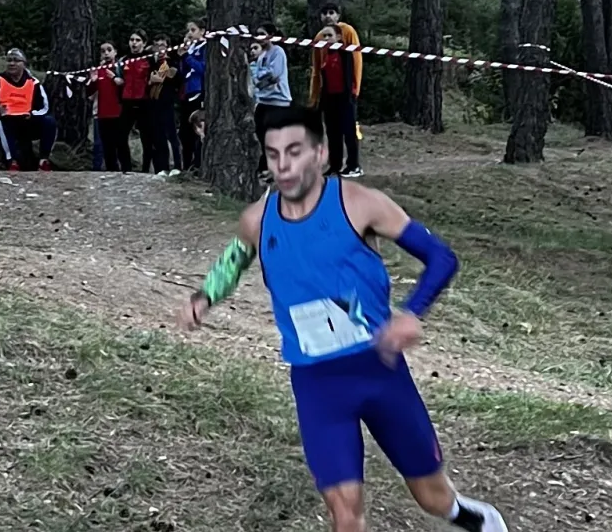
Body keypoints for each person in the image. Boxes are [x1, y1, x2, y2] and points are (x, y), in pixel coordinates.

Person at [176, 106, 508, 532]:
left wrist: (411, 313)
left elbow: (441, 258)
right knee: (344, 511)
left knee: (432, 497)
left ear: (321, 154)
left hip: (380, 373)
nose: (283, 165)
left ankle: (470, 518)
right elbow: (234, 260)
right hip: (317, 384)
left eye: (295, 152)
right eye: (274, 154)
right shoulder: (257, 220)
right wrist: (204, 296)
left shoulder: (360, 204)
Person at [310, 22, 363, 177]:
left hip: (345, 97)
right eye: (324, 36)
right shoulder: (324, 53)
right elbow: (320, 76)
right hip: (329, 98)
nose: (326, 39)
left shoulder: (346, 53)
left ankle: (353, 165)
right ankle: (335, 165)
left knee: (349, 132)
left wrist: (353, 93)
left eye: (329, 36)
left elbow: (352, 73)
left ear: (339, 37)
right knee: (333, 133)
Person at [0, 48, 55, 172]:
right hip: (7, 121)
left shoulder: (33, 83)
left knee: (49, 122)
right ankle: (11, 162)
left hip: (28, 120)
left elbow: (44, 107)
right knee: (0, 124)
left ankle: (44, 161)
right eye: (9, 60)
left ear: (24, 63)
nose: (12, 64)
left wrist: (33, 115)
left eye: (16, 60)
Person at [248, 23, 292, 176]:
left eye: (262, 33)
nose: (259, 37)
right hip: (263, 100)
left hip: (278, 101)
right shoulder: (262, 55)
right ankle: (266, 165)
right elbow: (257, 78)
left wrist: (262, 77)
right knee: (261, 135)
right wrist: (261, 77)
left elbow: (274, 74)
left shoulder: (277, 52)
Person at [87, 41, 131, 173]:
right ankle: (112, 171)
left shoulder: (120, 67)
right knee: (107, 146)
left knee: (121, 144)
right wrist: (93, 81)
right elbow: (89, 94)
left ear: (115, 52)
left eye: (109, 50)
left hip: (119, 112)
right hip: (102, 113)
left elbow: (126, 86)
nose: (106, 53)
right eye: (103, 51)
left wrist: (115, 78)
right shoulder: (98, 70)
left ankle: (127, 170)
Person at [121, 29, 155, 173]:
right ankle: (126, 168)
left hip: (144, 101)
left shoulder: (149, 58)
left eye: (137, 40)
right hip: (127, 100)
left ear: (144, 43)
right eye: (132, 40)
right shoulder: (124, 60)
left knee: (146, 138)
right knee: (121, 135)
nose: (134, 43)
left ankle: (146, 169)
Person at [148, 34, 182, 177]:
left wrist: (169, 75)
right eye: (157, 44)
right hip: (153, 103)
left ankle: (177, 166)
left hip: (168, 102)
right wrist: (150, 80)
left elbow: (178, 80)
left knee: (172, 135)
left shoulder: (172, 61)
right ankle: (160, 167)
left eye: (163, 45)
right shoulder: (150, 62)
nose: (160, 48)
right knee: (158, 136)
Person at [179, 19, 207, 172]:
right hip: (187, 92)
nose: (189, 33)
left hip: (198, 92)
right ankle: (186, 165)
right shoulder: (192, 48)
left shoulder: (206, 48)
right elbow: (184, 73)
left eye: (193, 30)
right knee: (184, 132)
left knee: (197, 130)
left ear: (202, 31)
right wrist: (183, 57)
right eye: (188, 30)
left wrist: (188, 58)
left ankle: (197, 165)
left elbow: (203, 68)